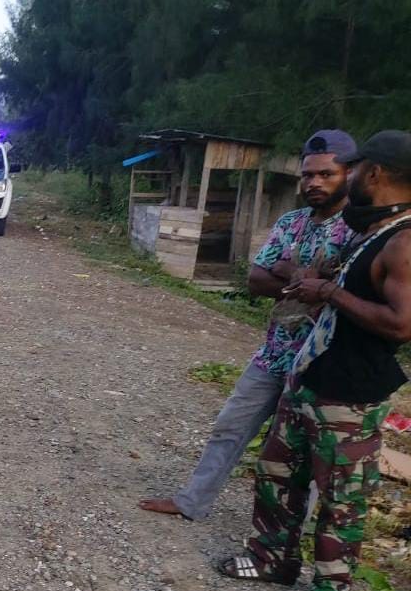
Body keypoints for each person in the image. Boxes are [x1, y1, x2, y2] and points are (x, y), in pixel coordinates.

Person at [219, 130, 411, 591]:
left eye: (353, 167)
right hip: (308, 376)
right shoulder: (372, 229)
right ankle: (271, 558)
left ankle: (329, 586)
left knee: (342, 495)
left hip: (350, 394)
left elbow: (401, 324)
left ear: (375, 172)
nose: (346, 176)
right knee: (278, 472)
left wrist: (329, 292)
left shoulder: (404, 240)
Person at [139, 130, 356, 520]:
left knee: (301, 450)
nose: (314, 183)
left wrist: (291, 274)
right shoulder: (292, 222)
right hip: (274, 354)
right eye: (308, 175)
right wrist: (305, 279)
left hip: (321, 364)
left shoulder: (358, 231)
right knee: (230, 426)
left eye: (327, 174)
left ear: (350, 173)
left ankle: (289, 531)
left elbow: (346, 292)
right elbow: (255, 280)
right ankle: (192, 501)